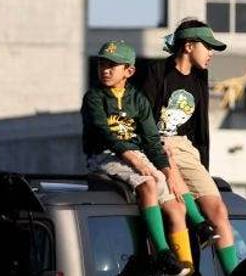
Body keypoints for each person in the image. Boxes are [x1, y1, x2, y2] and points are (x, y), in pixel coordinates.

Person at [81, 41, 192, 276]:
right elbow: (105, 134)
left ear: (128, 71)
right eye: (102, 64)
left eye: (112, 65)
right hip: (105, 156)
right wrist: (138, 162)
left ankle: (187, 268)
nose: (105, 70)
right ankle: (162, 254)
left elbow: (152, 139)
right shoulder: (94, 98)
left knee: (176, 207)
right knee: (148, 183)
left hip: (137, 156)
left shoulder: (138, 100)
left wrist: (166, 170)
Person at [140, 18, 240, 272]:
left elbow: (200, 130)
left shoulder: (199, 77)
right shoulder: (157, 72)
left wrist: (202, 165)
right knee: (178, 209)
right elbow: (143, 120)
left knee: (218, 211)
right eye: (207, 47)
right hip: (155, 144)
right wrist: (159, 151)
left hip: (185, 149)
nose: (211, 54)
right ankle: (186, 254)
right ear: (188, 46)